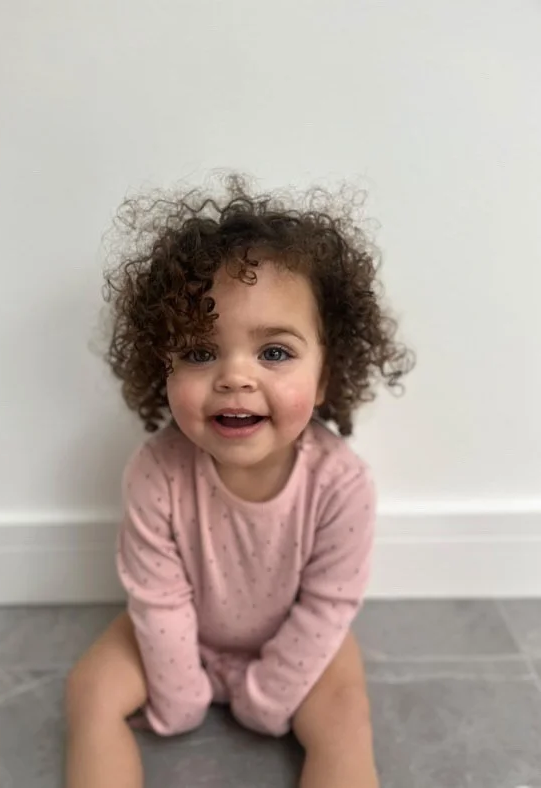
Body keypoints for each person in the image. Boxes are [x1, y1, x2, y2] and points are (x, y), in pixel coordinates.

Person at [64, 174, 413, 788]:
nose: (234, 377)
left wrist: (270, 697)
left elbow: (327, 606)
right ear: (162, 366)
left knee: (346, 717)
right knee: (89, 692)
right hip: (176, 635)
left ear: (326, 377)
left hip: (294, 638)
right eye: (200, 353)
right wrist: (178, 693)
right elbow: (157, 596)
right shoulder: (156, 472)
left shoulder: (340, 484)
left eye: (274, 352)